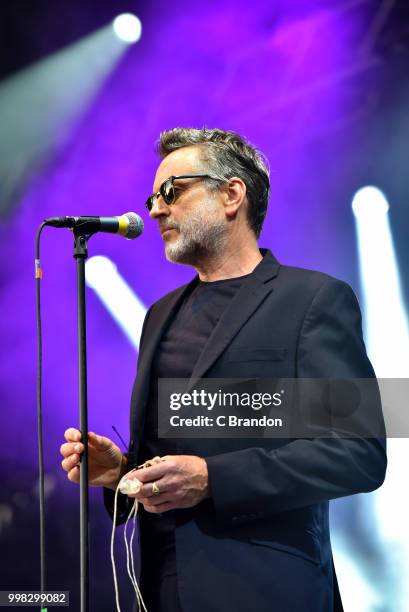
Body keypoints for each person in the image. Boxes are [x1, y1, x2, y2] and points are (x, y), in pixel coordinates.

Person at [61, 127, 387, 612]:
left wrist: (214, 478)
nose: (154, 210)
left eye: (171, 191)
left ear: (232, 194)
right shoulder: (158, 316)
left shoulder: (312, 299)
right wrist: (122, 475)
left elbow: (358, 453)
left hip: (269, 589)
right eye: (152, 197)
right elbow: (177, 459)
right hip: (163, 590)